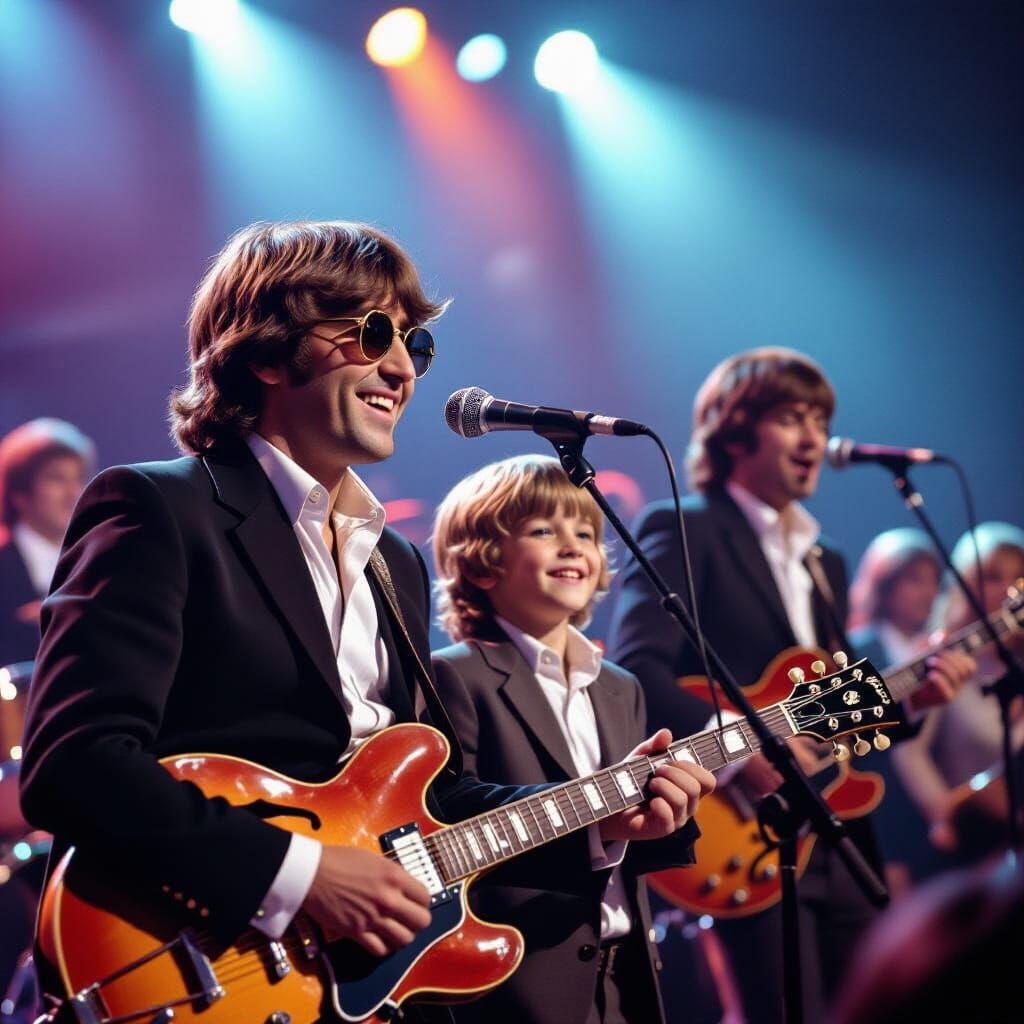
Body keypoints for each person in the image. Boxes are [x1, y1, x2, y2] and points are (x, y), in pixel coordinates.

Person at [18, 221, 709, 1023]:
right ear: (267, 353)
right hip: (206, 970)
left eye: (415, 343)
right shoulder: (158, 509)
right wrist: (300, 874)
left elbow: (432, 797)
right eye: (371, 333)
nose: (400, 367)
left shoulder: (395, 562)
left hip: (375, 991)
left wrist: (601, 818)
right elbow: (76, 762)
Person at [606, 347, 974, 1024]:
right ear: (735, 429)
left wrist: (911, 702)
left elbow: (835, 711)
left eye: (820, 418)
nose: (813, 437)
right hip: (743, 829)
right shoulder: (684, 527)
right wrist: (742, 754)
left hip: (839, 828)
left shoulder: (823, 557)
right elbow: (636, 670)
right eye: (791, 417)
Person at [430, 454, 712, 1024]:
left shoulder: (621, 687)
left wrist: (665, 815)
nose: (572, 545)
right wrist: (598, 820)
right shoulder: (451, 674)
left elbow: (630, 849)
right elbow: (448, 828)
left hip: (624, 978)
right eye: (543, 530)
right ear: (481, 563)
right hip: (516, 982)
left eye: (584, 532)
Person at [891, 522, 1024, 867]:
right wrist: (948, 816)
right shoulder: (942, 655)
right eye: (994, 577)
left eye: (1018, 578)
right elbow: (909, 752)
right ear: (965, 582)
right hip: (971, 849)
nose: (1009, 590)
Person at [847, 528, 945, 888]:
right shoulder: (857, 649)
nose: (929, 593)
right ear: (884, 585)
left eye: (934, 581)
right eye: (915, 580)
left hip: (924, 825)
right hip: (880, 819)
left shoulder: (934, 651)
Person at [0, 418, 94, 666]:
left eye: (78, 479)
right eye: (57, 479)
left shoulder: (97, 556)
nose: (74, 493)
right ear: (20, 494)